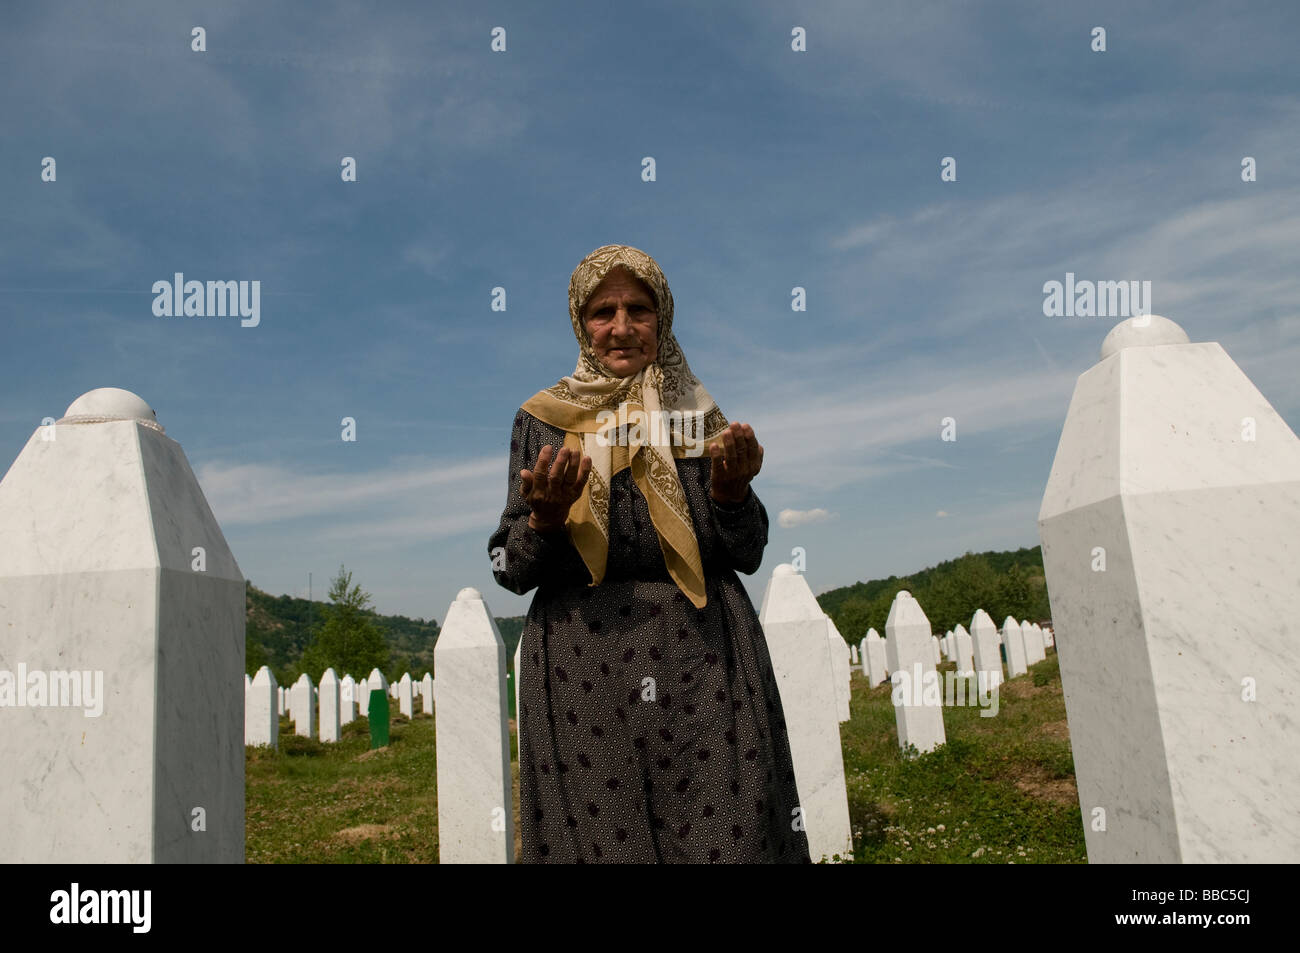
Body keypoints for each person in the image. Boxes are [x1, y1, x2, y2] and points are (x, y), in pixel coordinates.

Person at [489, 243, 811, 863]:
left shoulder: (696, 414)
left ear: (661, 319)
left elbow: (748, 551)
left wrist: (731, 493)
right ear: (579, 323)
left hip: (705, 659)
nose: (621, 327)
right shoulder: (541, 421)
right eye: (602, 311)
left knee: (727, 840)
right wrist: (547, 519)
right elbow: (512, 567)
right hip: (582, 667)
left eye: (638, 309)